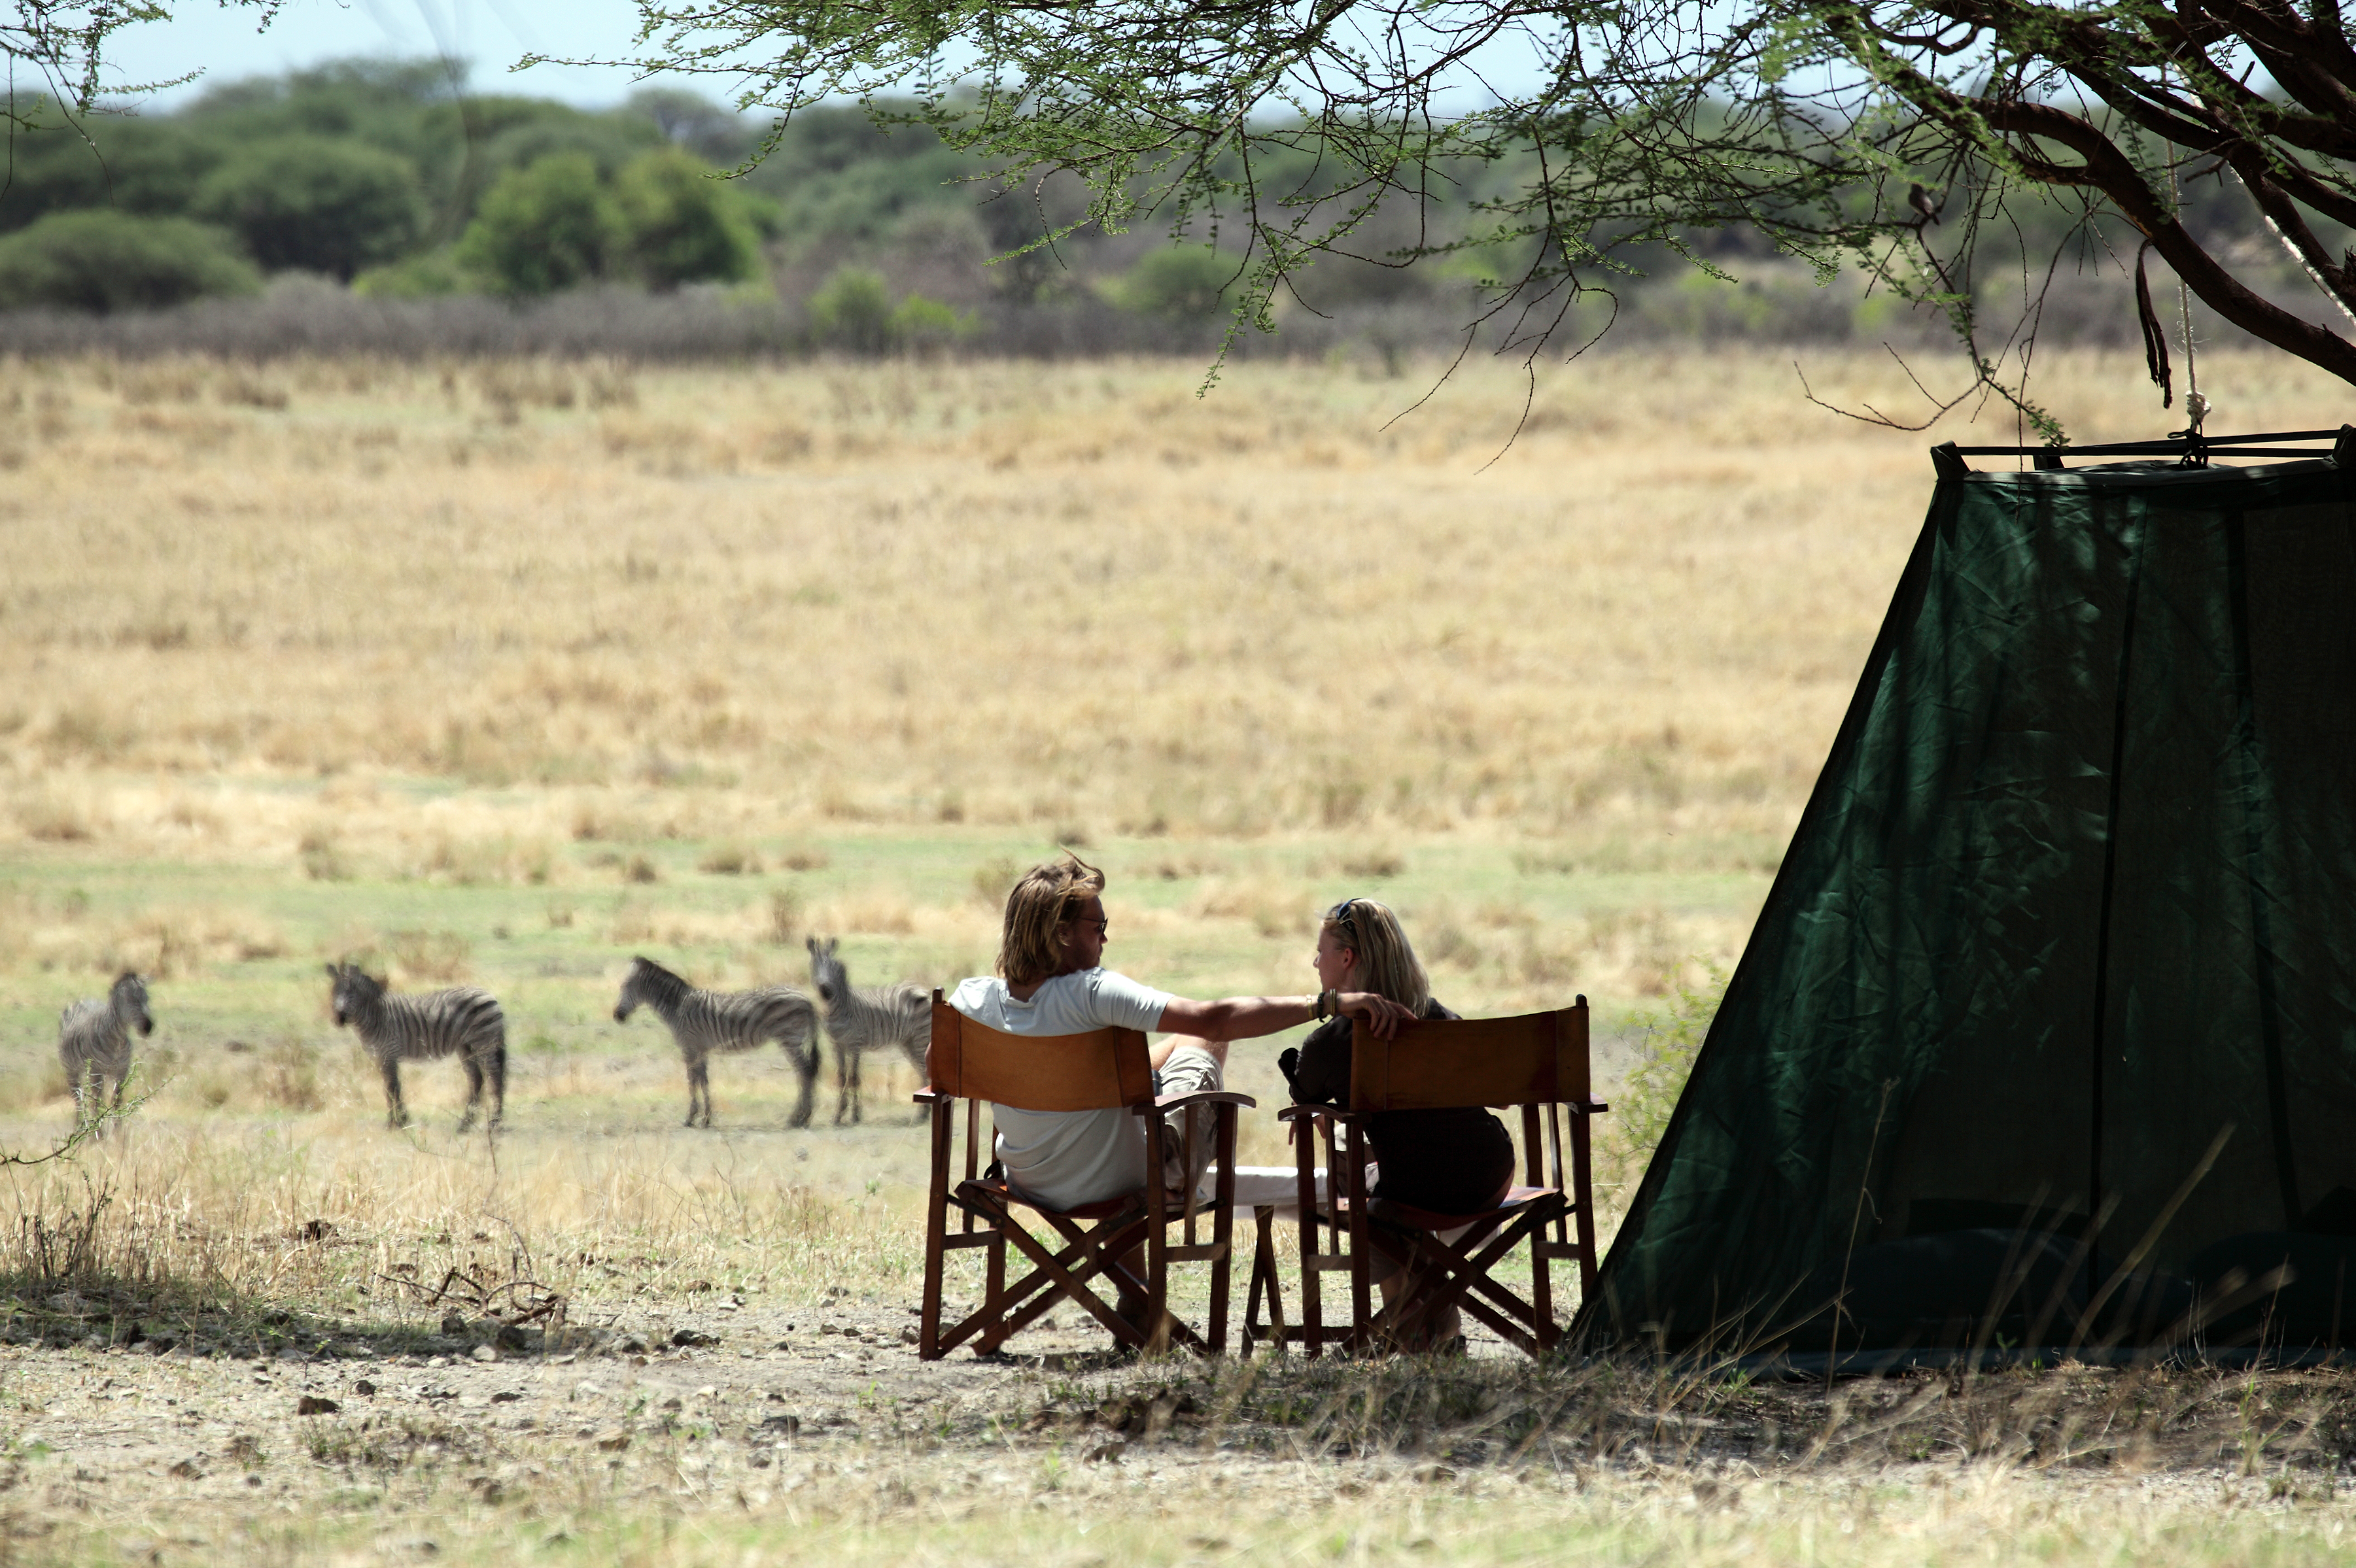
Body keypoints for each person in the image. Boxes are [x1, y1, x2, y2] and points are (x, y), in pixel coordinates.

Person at [948, 853, 1417, 1218]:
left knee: (1178, 1046)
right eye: (1099, 927)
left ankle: (1135, 1303)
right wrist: (1326, 1004)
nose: (1105, 940)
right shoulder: (1094, 993)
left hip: (1027, 1177)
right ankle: (1170, 1188)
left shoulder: (973, 1001)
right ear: (1062, 934)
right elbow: (1213, 1019)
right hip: (1121, 1179)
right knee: (1203, 1041)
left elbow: (940, 1067)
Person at [1279, 896, 1516, 1348]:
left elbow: (1304, 1093)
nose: (1315, 962)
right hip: (1489, 1173)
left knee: (1372, 1199)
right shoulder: (1440, 1017)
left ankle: (1412, 1326)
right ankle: (1436, 1323)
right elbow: (1497, 1095)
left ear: (1346, 958)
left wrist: (1314, 1109)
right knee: (1383, 1183)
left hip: (1412, 1189)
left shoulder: (1332, 1042)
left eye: (1321, 951)